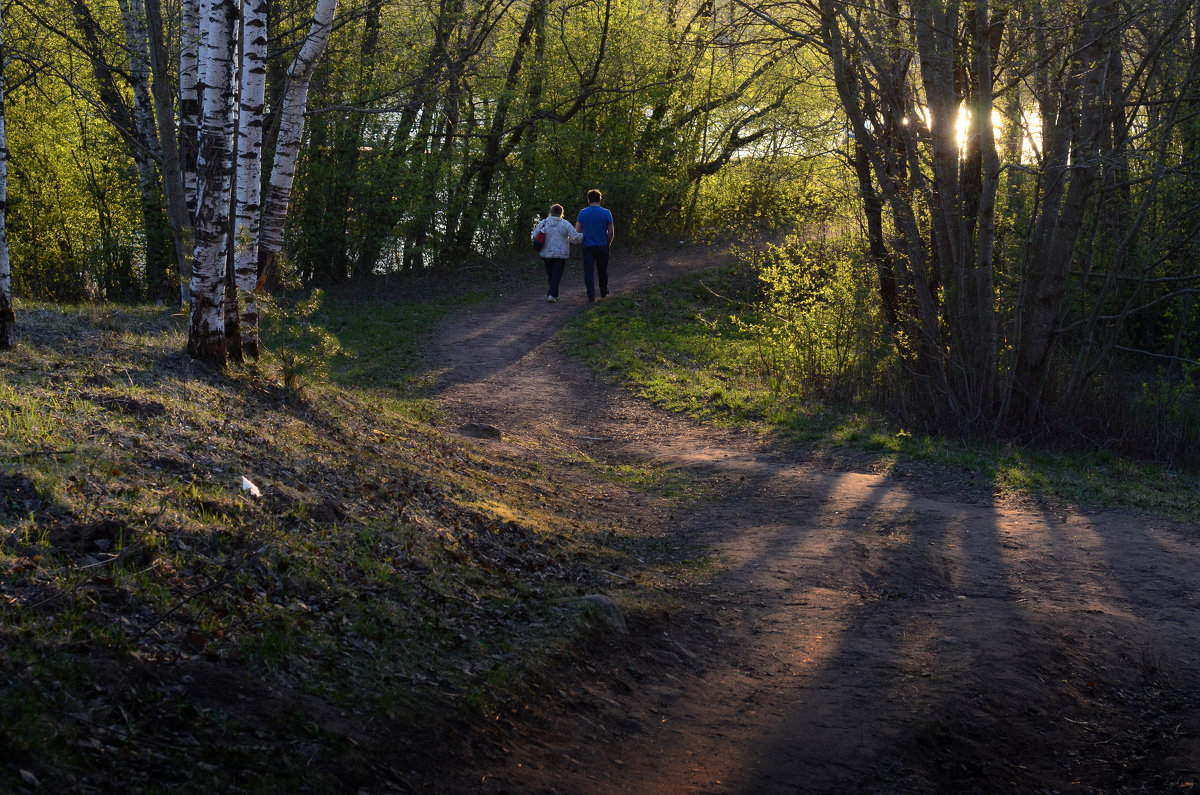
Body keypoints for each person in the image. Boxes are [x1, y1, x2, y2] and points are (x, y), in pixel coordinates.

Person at [532, 204, 582, 303]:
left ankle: (552, 293)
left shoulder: (544, 222)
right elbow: (574, 237)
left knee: (550, 274)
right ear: (561, 213)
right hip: (560, 253)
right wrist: (584, 236)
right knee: (557, 274)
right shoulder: (565, 223)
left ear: (551, 212)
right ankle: (552, 294)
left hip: (546, 253)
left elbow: (534, 235)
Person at [574, 189, 614, 302]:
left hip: (588, 246)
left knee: (588, 271)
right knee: (602, 270)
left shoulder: (582, 212)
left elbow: (577, 231)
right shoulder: (607, 212)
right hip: (602, 246)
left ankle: (591, 295)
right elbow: (611, 232)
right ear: (600, 199)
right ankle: (603, 292)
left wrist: (581, 242)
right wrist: (608, 244)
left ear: (588, 199)